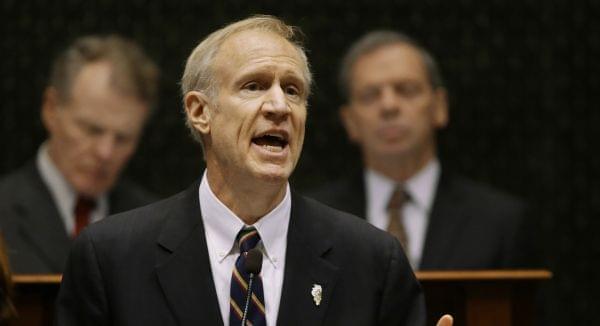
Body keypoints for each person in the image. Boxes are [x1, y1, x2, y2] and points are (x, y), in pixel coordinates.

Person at [54, 16, 452, 326]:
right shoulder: (111, 257)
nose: (279, 106)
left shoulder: (372, 260)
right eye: (254, 86)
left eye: (293, 90)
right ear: (200, 112)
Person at [311, 31, 534, 270]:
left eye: (406, 90)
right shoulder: (314, 220)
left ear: (439, 106)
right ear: (350, 121)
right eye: (370, 95)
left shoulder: (499, 222)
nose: (389, 106)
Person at [0, 35, 159, 274]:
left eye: (122, 139)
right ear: (51, 109)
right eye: (92, 130)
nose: (105, 153)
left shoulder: (155, 226)